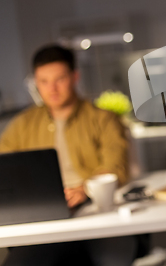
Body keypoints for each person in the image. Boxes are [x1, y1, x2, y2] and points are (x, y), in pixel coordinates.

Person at [0, 45, 135, 265]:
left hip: (91, 213)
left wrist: (84, 190)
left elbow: (115, 167)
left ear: (75, 77)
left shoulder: (103, 119)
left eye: (59, 79)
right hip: (42, 218)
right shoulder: (22, 125)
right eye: (43, 81)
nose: (51, 88)